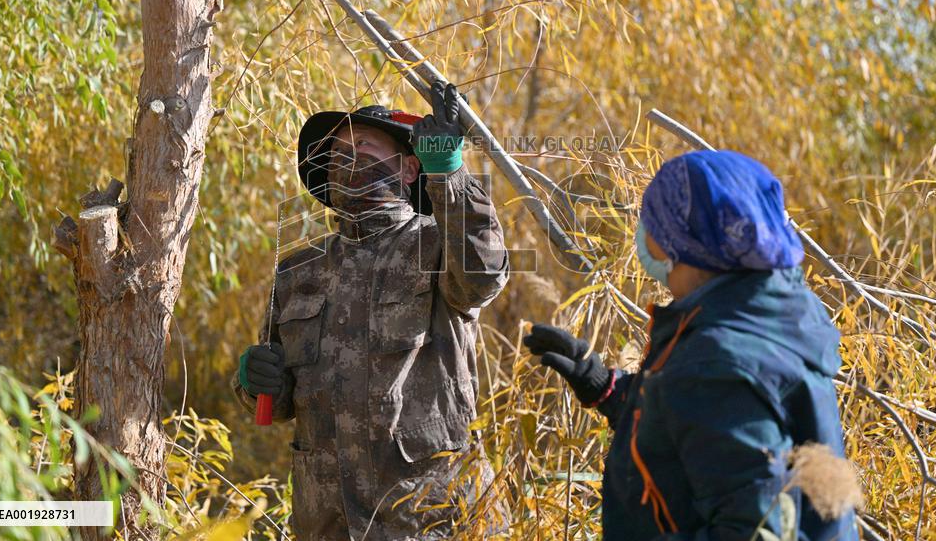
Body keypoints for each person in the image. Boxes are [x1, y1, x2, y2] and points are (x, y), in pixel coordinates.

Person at [524, 150, 858, 541]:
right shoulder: (769, 315)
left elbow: (750, 530)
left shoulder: (717, 364)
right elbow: (711, 428)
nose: (643, 235)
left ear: (681, 243)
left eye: (652, 223)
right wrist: (608, 389)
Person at [232, 81, 509, 541]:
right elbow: (278, 401)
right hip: (328, 522)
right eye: (339, 151)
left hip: (427, 520)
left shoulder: (437, 244)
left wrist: (449, 172)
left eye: (363, 145)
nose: (348, 155)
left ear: (408, 168)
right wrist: (255, 382)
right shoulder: (299, 270)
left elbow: (484, 277)